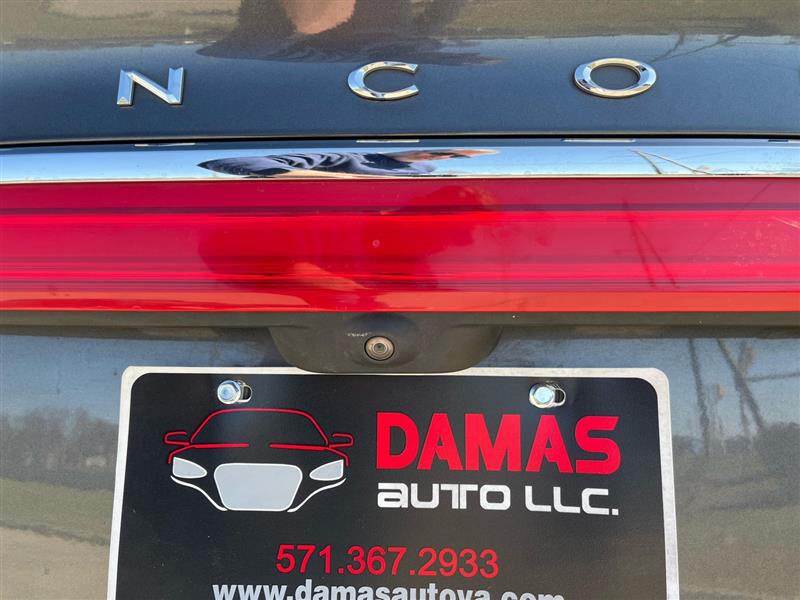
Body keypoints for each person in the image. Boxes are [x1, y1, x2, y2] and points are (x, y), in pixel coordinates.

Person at [198, 149, 496, 178]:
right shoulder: (350, 158)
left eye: (452, 157)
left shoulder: (425, 169)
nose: (442, 157)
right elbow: (228, 162)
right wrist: (341, 179)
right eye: (442, 150)